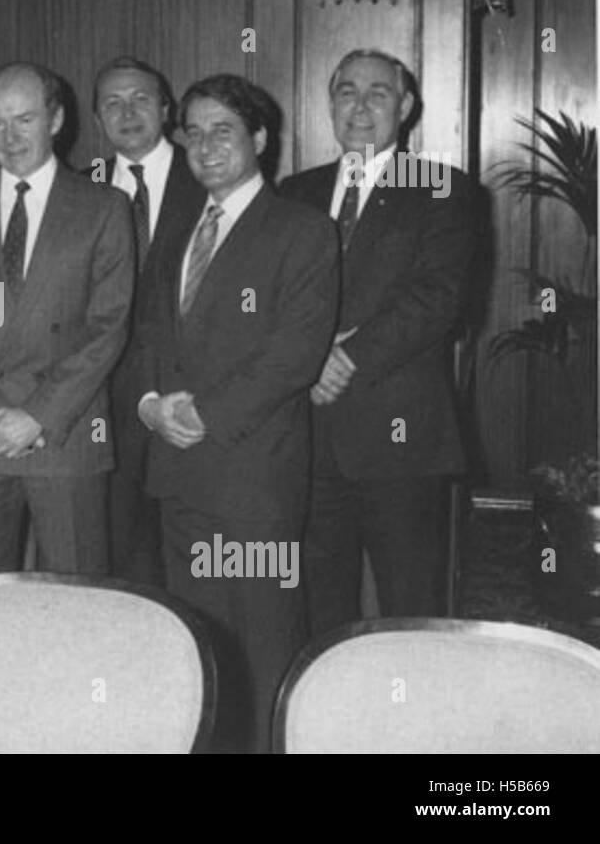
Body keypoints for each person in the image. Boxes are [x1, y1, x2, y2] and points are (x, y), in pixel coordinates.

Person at [129, 74, 338, 752]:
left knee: (267, 639)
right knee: (201, 643)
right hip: (177, 475)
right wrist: (151, 404)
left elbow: (294, 355)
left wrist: (204, 416)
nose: (207, 144)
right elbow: (147, 339)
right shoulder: (177, 230)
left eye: (224, 129)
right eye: (194, 131)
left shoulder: (303, 231)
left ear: (259, 138)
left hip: (254, 478)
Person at [281, 49, 477, 634]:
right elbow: (266, 299)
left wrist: (341, 357)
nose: (360, 106)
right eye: (346, 91)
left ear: (407, 107)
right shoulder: (295, 190)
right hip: (307, 436)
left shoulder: (442, 186)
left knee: (410, 607)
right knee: (319, 607)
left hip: (402, 438)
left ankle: (413, 722)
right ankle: (326, 719)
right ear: (329, 103)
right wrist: (304, 359)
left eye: (378, 93)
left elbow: (438, 300)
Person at [0, 62, 134, 577]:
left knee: (73, 602)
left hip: (65, 435)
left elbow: (108, 327)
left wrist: (37, 416)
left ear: (56, 119)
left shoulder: (104, 206)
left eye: (24, 119)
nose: (9, 136)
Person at [89, 55, 205, 587]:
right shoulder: (79, 189)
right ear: (96, 119)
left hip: (191, 402)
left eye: (139, 99)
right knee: (119, 563)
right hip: (105, 405)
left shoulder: (208, 174)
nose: (126, 111)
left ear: (166, 109)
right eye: (112, 102)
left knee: (193, 566)